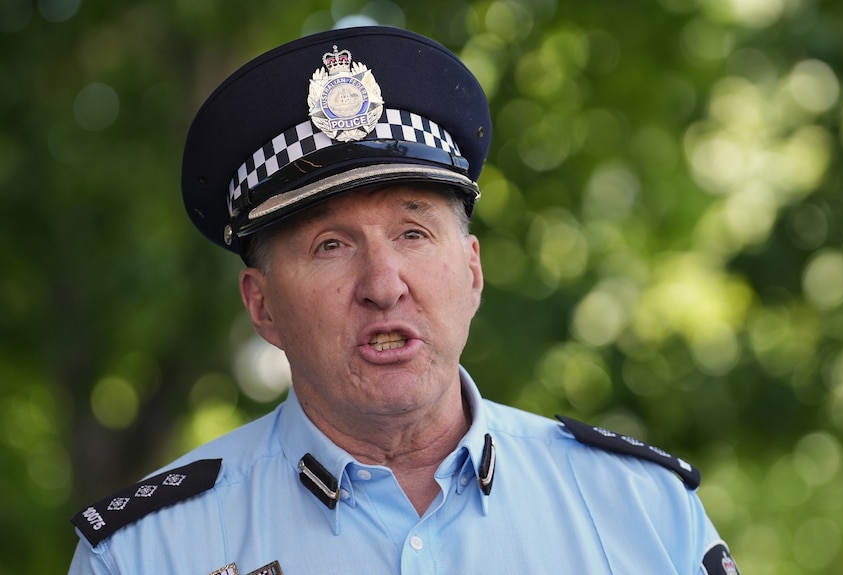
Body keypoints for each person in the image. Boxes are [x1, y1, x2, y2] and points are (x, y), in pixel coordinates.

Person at [68, 25, 741, 575]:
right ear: (262, 305)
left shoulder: (643, 510)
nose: (384, 284)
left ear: (473, 271)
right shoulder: (143, 554)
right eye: (330, 245)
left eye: (413, 232)